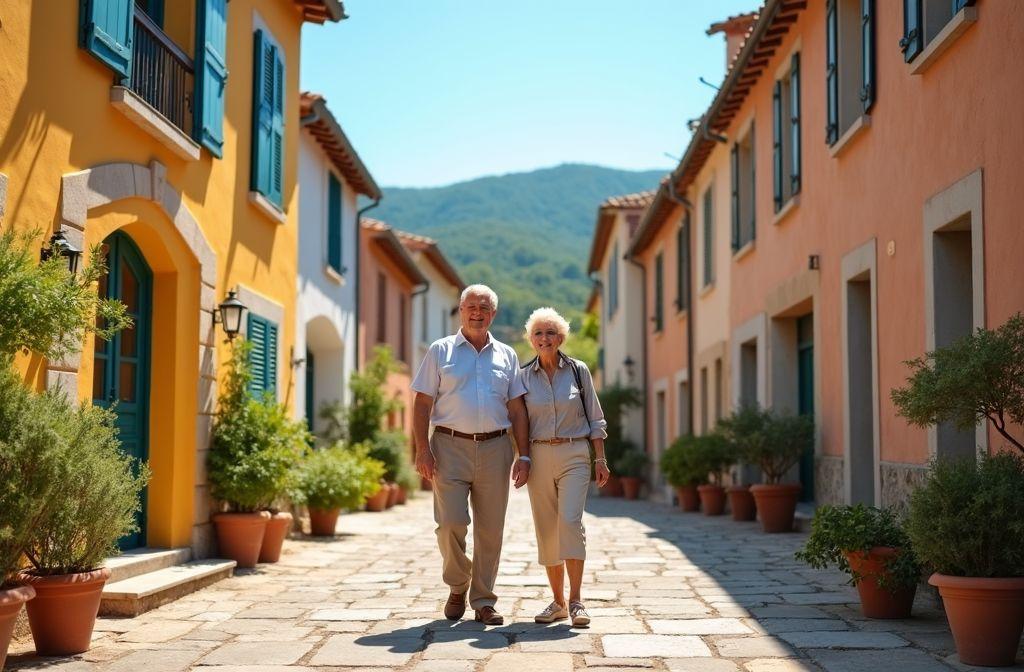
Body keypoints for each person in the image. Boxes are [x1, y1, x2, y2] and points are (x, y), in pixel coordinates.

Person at [411, 284, 531, 625]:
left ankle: (483, 600)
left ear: (493, 314)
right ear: (461, 312)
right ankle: (457, 584)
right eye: (471, 307)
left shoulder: (507, 355)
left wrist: (524, 456)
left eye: (484, 308)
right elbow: (422, 402)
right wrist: (423, 448)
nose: (477, 313)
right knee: (450, 522)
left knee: (490, 529)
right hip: (448, 447)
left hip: (496, 448)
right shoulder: (440, 351)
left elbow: (518, 409)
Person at [520, 307, 609, 627]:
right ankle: (557, 602)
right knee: (547, 528)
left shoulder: (578, 371)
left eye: (551, 333)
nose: (545, 338)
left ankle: (576, 601)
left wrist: (600, 458)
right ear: (531, 339)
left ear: (561, 337)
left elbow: (596, 418)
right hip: (539, 456)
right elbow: (517, 422)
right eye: (539, 333)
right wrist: (520, 458)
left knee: (570, 522)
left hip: (574, 454)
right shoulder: (522, 377)